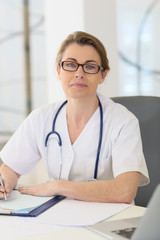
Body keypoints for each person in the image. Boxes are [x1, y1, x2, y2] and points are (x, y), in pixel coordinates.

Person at [0, 31, 149, 203]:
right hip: (58, 214)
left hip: (110, 219)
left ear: (103, 75)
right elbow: (10, 168)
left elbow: (125, 191)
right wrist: (5, 184)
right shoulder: (42, 118)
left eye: (90, 67)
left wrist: (58, 186)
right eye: (70, 65)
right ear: (58, 70)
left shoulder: (122, 121)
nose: (79, 73)